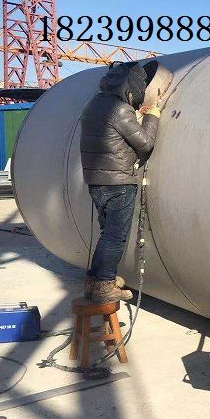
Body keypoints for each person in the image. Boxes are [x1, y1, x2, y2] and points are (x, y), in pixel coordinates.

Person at [79, 61, 162, 302]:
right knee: (115, 236)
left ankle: (96, 280)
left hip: (96, 180)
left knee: (107, 233)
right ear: (129, 88)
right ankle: (105, 285)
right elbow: (145, 143)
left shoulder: (94, 104)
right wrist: (152, 116)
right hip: (118, 182)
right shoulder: (120, 109)